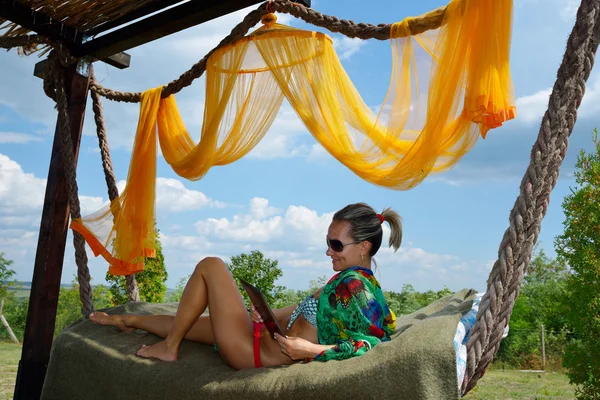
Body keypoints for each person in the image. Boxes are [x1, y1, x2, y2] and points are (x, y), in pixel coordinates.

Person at [89, 202, 401, 369]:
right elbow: (302, 308)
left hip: (253, 353)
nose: (328, 251)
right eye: (328, 242)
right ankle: (127, 320)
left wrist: (311, 349)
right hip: (256, 335)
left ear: (363, 248)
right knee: (185, 323)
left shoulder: (357, 288)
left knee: (211, 266)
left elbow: (374, 343)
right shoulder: (341, 282)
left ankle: (169, 349)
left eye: (336, 244)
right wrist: (265, 313)